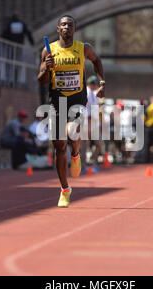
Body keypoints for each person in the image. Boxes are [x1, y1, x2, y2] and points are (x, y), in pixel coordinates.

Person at [37, 15, 105, 208]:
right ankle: (65, 190)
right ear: (58, 29)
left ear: (74, 29)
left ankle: (75, 153)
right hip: (57, 101)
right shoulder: (48, 50)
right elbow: (41, 80)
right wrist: (46, 67)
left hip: (77, 99)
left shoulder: (83, 48)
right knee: (59, 146)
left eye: (70, 25)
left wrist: (102, 82)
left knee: (72, 131)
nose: (67, 27)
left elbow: (97, 60)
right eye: (63, 24)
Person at [80, 75, 102, 174]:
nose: (97, 86)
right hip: (86, 122)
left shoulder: (92, 94)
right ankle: (83, 165)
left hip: (93, 123)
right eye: (96, 84)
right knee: (85, 144)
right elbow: (85, 110)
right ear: (92, 84)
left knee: (99, 144)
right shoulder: (87, 93)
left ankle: (91, 162)